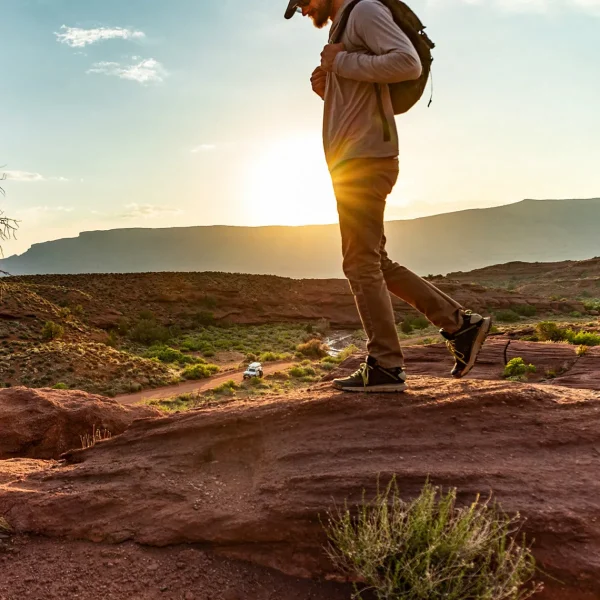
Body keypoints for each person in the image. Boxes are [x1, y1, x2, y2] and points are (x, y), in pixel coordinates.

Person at [284, 0, 491, 393]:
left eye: (304, 0)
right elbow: (365, 93)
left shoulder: (363, 10)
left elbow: (406, 63)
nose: (305, 8)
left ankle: (385, 366)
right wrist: (330, 87)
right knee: (374, 260)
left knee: (359, 264)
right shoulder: (342, 26)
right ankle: (461, 326)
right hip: (354, 159)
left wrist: (341, 63)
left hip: (365, 160)